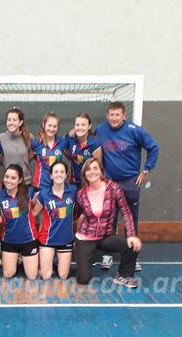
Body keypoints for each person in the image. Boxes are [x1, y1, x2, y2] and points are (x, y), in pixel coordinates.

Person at [95, 101, 159, 272]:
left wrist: (146, 170)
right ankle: (107, 255)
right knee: (109, 220)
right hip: (110, 183)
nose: (114, 118)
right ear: (107, 115)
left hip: (130, 182)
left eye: (117, 115)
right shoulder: (100, 130)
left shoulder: (134, 130)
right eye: (111, 115)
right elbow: (86, 139)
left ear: (124, 115)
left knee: (130, 220)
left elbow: (153, 148)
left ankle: (132, 256)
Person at [74, 158, 142, 287]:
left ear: (101, 171)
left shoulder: (113, 188)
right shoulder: (81, 194)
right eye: (88, 169)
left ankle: (122, 276)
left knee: (132, 245)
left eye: (95, 168)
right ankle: (83, 258)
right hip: (85, 238)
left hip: (105, 236)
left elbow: (126, 212)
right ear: (84, 174)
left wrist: (131, 235)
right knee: (83, 279)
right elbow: (75, 214)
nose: (92, 172)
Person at [33, 161, 77, 280]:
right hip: (47, 239)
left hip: (66, 239)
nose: (59, 174)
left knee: (63, 276)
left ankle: (56, 261)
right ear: (51, 175)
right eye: (56, 172)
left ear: (66, 175)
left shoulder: (73, 191)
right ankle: (47, 261)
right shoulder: (44, 193)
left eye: (62, 172)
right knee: (46, 276)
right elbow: (34, 213)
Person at [0, 164, 39, 280]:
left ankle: (22, 257)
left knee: (32, 276)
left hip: (29, 239)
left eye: (13, 178)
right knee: (8, 274)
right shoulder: (0, 196)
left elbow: (34, 209)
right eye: (7, 177)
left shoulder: (29, 192)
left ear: (20, 180)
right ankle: (17, 257)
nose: (9, 180)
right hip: (9, 240)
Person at [31, 112, 67, 191]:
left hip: (57, 186)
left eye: (55, 126)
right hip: (40, 186)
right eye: (49, 125)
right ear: (44, 125)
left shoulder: (63, 142)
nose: (51, 129)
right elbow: (27, 159)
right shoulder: (36, 143)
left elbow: (71, 157)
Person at [0, 107, 33, 186]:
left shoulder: (29, 137)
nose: (11, 122)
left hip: (25, 182)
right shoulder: (1, 138)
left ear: (20, 122)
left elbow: (31, 155)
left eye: (14, 120)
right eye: (9, 120)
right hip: (8, 182)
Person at [65, 113, 102, 188]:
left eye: (83, 125)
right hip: (74, 183)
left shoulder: (95, 143)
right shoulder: (69, 138)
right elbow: (67, 155)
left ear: (89, 126)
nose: (80, 127)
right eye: (77, 125)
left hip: (90, 184)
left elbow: (98, 167)